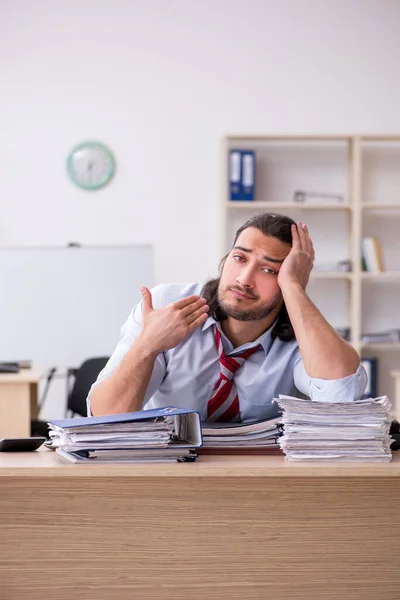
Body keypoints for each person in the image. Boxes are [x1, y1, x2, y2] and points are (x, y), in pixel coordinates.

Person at [88, 213, 367, 422]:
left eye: (269, 271)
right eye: (240, 258)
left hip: (261, 485)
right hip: (165, 474)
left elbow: (339, 398)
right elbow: (104, 418)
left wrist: (294, 289)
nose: (245, 280)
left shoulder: (303, 333)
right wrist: (147, 346)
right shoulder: (166, 306)